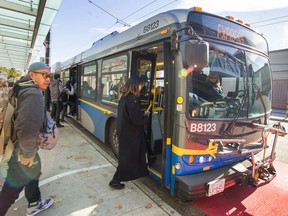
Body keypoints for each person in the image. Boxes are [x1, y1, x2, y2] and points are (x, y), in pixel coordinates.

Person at [0, 62, 54, 216]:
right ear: (32, 75)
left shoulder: (20, 87)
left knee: (34, 171)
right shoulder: (33, 94)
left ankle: (34, 202)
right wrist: (28, 153)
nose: (48, 79)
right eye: (44, 75)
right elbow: (27, 126)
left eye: (49, 75)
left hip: (17, 144)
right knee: (11, 191)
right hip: (22, 148)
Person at [109, 75, 150, 190]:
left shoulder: (125, 97)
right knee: (127, 159)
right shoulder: (133, 99)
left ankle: (134, 173)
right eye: (140, 84)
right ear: (135, 86)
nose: (142, 86)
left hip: (125, 132)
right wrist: (146, 115)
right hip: (130, 134)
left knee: (127, 157)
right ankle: (115, 180)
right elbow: (137, 119)